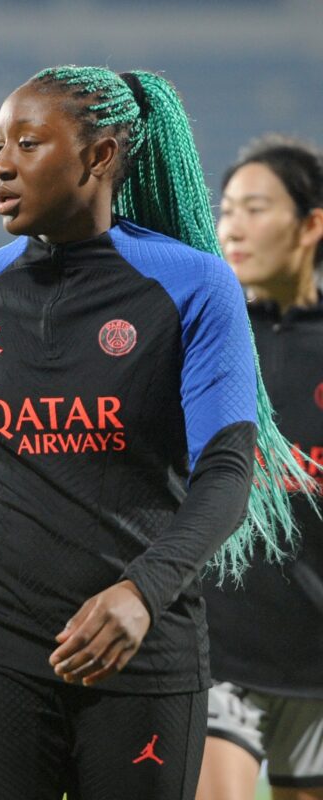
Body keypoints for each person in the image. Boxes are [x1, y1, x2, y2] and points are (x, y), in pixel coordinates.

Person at [0, 66, 314, 800]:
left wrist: (141, 593)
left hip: (143, 651)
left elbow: (227, 472)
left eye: (28, 143)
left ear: (99, 156)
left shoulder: (196, 286)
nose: (0, 165)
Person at [197, 135, 323, 800]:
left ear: (311, 225)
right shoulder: (197, 339)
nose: (233, 227)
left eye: (255, 208)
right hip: (216, 649)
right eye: (226, 210)